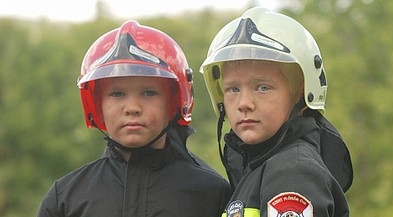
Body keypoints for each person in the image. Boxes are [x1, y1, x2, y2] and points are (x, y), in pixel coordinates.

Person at [37, 20, 231, 217]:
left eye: (148, 93)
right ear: (97, 105)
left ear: (174, 103)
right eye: (117, 94)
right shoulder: (64, 199)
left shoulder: (212, 193)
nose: (132, 108)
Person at [200, 7, 353, 217]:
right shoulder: (262, 166)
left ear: (300, 92)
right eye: (233, 89)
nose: (244, 103)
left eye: (263, 87)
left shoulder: (293, 172)